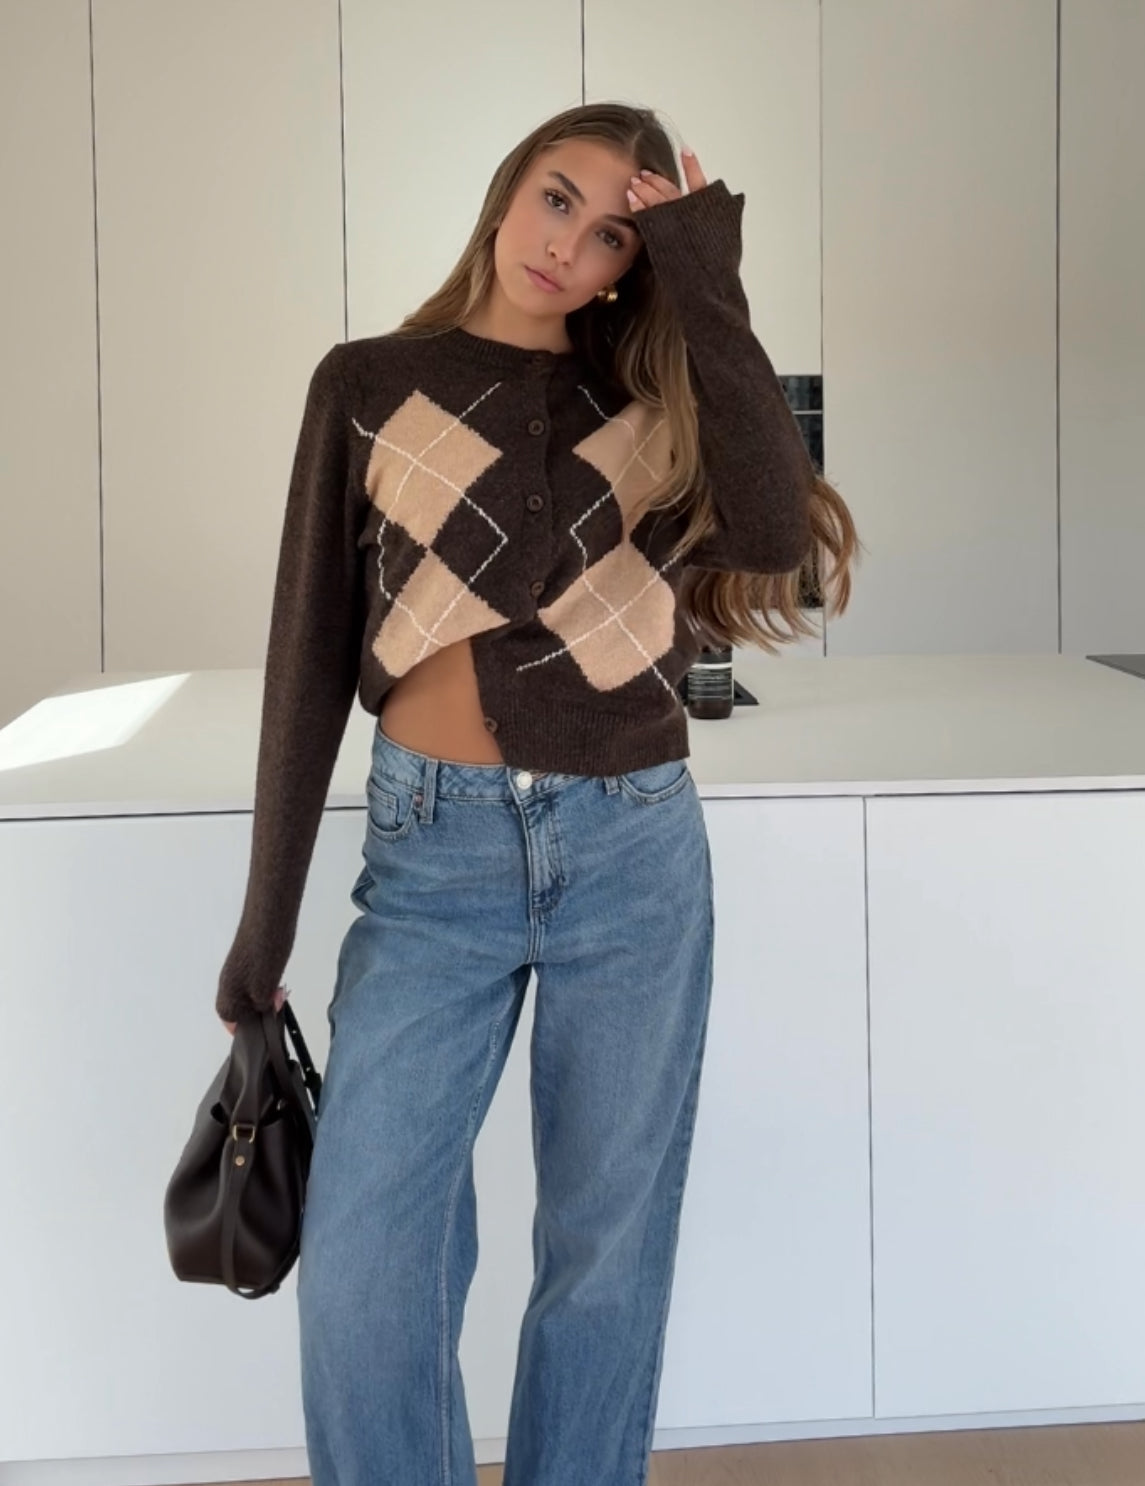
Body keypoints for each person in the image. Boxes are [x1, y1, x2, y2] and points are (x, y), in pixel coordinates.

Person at [215, 101, 857, 1486]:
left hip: (630, 853)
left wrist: (705, 265)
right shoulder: (369, 382)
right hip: (430, 856)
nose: (566, 243)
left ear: (636, 263)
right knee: (367, 1267)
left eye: (613, 232)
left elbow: (771, 531)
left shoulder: (658, 411)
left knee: (603, 1254)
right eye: (556, 198)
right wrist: (263, 929)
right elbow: (305, 664)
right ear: (509, 189)